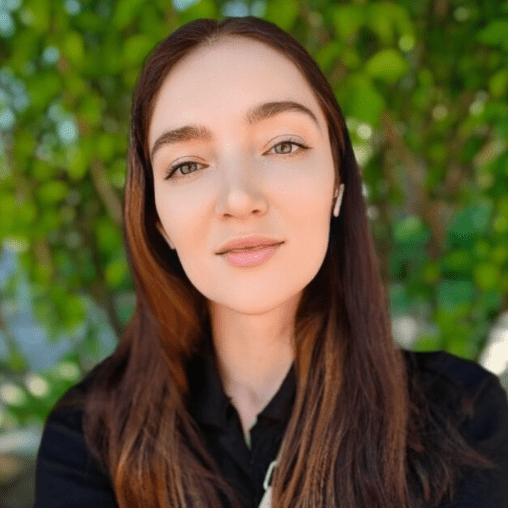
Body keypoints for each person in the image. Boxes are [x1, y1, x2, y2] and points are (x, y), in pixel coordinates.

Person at [34, 15, 508, 508]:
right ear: (158, 220)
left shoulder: (462, 417)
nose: (239, 198)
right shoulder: (88, 439)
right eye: (188, 164)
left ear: (338, 183)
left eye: (283, 145)